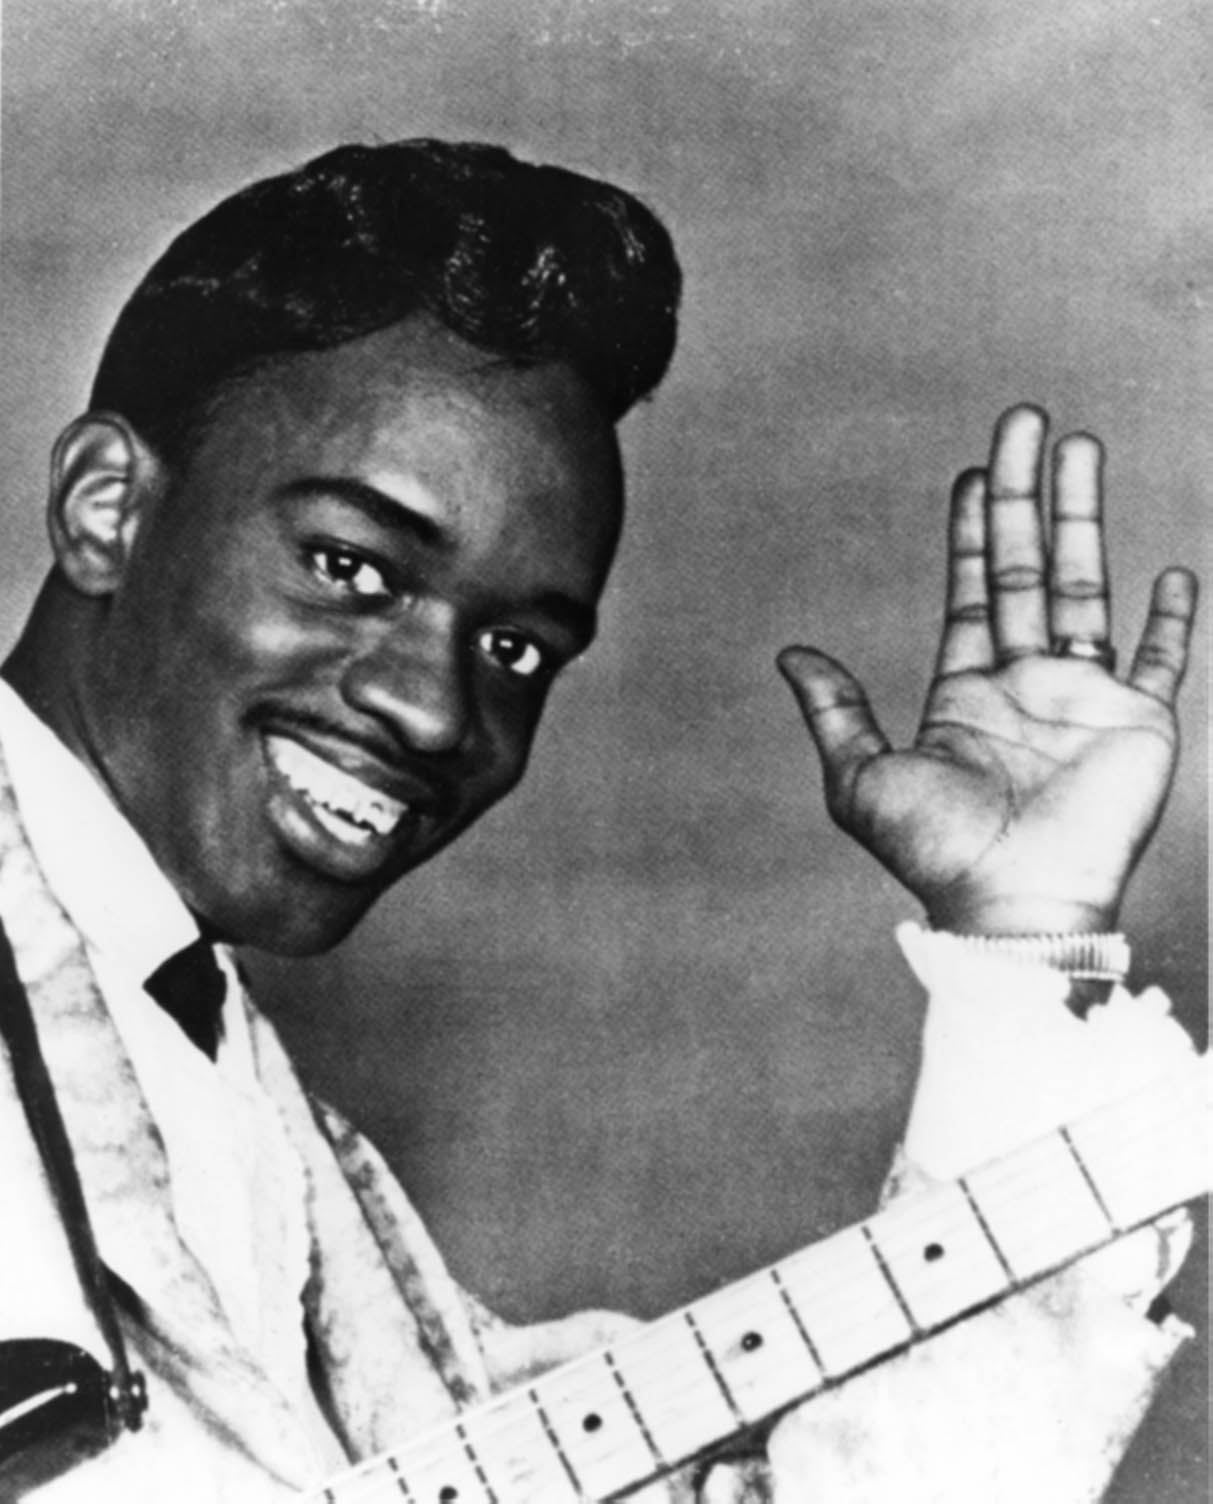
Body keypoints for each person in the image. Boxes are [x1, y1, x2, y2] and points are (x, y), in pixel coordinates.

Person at [0, 139, 1200, 1502]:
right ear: (107, 507)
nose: (438, 712)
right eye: (351, 567)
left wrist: (1022, 940)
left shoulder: (275, 1146)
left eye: (517, 650)